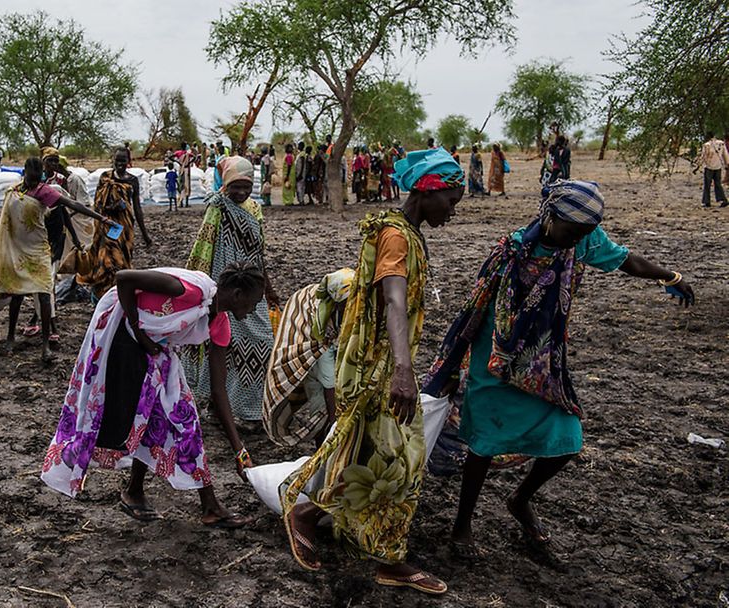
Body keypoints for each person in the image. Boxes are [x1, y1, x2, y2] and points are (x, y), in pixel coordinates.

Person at [422, 180, 695, 558]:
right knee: (483, 443)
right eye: (573, 231)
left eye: (585, 233)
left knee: (567, 437)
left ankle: (520, 499)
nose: (578, 240)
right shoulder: (512, 250)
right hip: (497, 356)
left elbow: (626, 260)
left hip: (542, 359)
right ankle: (462, 525)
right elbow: (478, 303)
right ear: (549, 217)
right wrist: (458, 359)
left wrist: (670, 276)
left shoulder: (582, 239)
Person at [280, 147, 465, 594]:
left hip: (380, 362)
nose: (453, 212)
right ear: (426, 191)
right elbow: (393, 300)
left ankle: (313, 516)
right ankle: (383, 555)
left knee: (362, 448)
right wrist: (402, 369)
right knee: (402, 459)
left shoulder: (403, 230)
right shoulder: (397, 237)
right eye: (451, 201)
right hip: (378, 366)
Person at [40, 263, 265, 528]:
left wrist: (239, 450)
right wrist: (139, 332)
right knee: (136, 415)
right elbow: (123, 279)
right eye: (253, 303)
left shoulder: (219, 324)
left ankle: (144, 494)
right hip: (122, 333)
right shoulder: (188, 290)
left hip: (155, 348)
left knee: (178, 418)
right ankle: (207, 506)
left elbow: (219, 390)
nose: (252, 311)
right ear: (237, 295)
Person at [0, 157, 112, 363]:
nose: (31, 182)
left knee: (44, 293)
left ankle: (46, 344)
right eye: (29, 177)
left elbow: (71, 204)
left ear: (39, 175)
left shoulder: (44, 192)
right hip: (18, 250)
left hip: (38, 250)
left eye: (35, 178)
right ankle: (11, 337)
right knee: (17, 293)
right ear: (25, 173)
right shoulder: (15, 191)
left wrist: (99, 217)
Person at [186, 156, 280, 421]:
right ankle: (219, 406)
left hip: (250, 286)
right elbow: (203, 247)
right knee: (224, 346)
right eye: (234, 186)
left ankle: (250, 410)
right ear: (225, 184)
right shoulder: (217, 208)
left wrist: (267, 287)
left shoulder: (254, 209)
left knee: (262, 342)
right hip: (224, 287)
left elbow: (259, 252)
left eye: (246, 186)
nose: (240, 192)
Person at [263, 268, 354, 448]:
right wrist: (336, 425)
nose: (353, 308)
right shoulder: (321, 328)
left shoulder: (356, 307)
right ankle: (322, 444)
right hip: (314, 345)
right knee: (320, 401)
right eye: (348, 305)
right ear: (336, 305)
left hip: (335, 345)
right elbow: (329, 383)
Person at [21, 148, 90, 341]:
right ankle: (43, 318)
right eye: (48, 161)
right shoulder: (34, 185)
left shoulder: (61, 183)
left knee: (48, 280)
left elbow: (65, 210)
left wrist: (75, 238)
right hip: (38, 237)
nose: (51, 164)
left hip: (55, 237)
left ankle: (46, 323)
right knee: (41, 282)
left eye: (54, 161)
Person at [76, 148, 153, 299]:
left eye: (123, 160)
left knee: (121, 262)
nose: (119, 164)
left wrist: (145, 234)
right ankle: (101, 296)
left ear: (128, 162)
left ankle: (117, 295)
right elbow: (97, 204)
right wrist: (112, 208)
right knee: (106, 261)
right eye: (117, 160)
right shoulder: (105, 178)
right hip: (106, 226)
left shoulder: (132, 181)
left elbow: (137, 208)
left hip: (124, 229)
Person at [699, 131, 729, 207]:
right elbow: (725, 155)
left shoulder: (706, 145)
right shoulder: (721, 143)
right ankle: (723, 200)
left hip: (709, 167)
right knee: (718, 184)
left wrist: (698, 166)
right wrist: (727, 164)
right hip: (718, 166)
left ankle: (707, 201)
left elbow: (703, 156)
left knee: (707, 185)